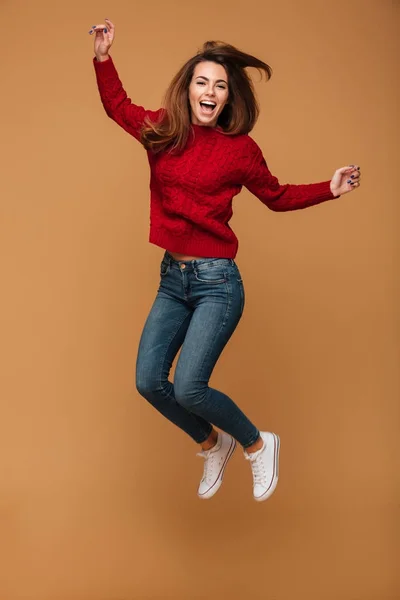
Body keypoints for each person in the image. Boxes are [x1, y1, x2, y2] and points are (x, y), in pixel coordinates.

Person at [89, 18, 361, 502]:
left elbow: (276, 196)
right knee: (149, 382)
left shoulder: (240, 151)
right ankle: (214, 444)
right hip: (173, 279)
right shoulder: (163, 131)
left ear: (229, 97)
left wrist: (329, 188)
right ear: (188, 90)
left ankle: (259, 445)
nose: (209, 92)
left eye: (219, 85)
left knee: (191, 387)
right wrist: (104, 57)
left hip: (218, 284)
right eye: (201, 82)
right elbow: (117, 106)